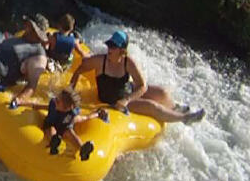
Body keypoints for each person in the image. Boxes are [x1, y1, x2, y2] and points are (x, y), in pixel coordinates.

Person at [69, 30, 205, 124]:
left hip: (126, 94)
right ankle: (184, 118)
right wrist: (70, 91)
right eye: (109, 45)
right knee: (152, 106)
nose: (109, 49)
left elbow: (142, 85)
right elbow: (79, 70)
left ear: (122, 50)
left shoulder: (129, 62)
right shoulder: (100, 60)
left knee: (162, 92)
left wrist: (127, 99)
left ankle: (174, 109)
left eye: (113, 47)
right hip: (114, 100)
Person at [18, 89, 108, 160]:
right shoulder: (54, 104)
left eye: (58, 101)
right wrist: (21, 103)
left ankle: (82, 149)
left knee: (71, 132)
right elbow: (38, 106)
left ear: (66, 108)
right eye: (57, 99)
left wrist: (96, 114)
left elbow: (84, 117)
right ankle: (54, 141)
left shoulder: (71, 113)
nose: (55, 100)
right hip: (51, 124)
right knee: (51, 129)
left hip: (64, 127)